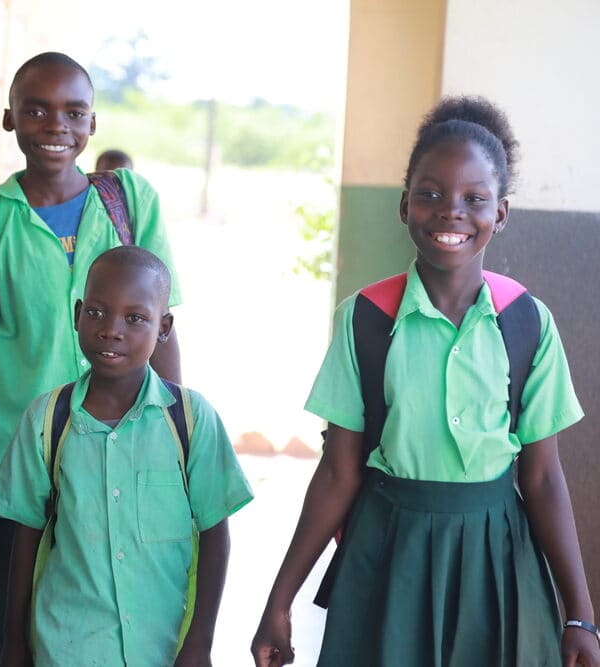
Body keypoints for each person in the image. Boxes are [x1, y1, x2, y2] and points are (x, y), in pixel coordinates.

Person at [250, 96, 599, 667]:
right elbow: (339, 471)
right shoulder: (364, 319)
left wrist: (580, 615)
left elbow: (541, 478)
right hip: (390, 552)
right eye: (431, 194)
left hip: (497, 559)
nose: (451, 211)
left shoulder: (527, 324)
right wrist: (280, 600)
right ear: (404, 204)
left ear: (502, 213)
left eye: (474, 198)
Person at [0, 52, 182, 665]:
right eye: (37, 110)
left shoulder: (130, 201)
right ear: (9, 119)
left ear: (93, 124)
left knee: (113, 609)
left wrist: (177, 436)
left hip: (120, 455)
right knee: (12, 622)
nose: (55, 125)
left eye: (74, 111)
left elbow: (165, 325)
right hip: (17, 460)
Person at [0, 246, 252, 666]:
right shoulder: (47, 420)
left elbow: (215, 534)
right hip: (68, 647)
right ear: (77, 314)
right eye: (96, 312)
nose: (111, 330)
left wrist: (199, 642)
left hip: (160, 648)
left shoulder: (190, 420)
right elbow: (26, 538)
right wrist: (15, 642)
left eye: (135, 318)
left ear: (163, 327)